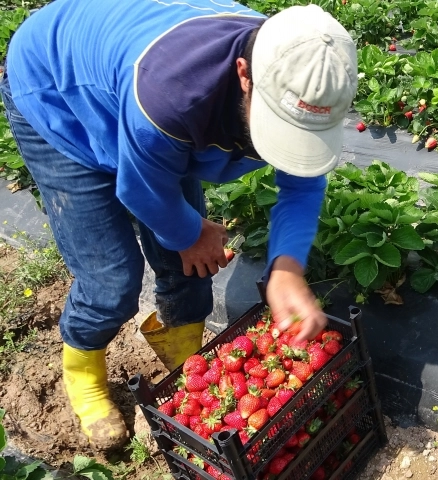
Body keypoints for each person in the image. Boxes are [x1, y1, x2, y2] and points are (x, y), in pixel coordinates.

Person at [1, 0, 358, 450]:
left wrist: (287, 266)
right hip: (59, 91)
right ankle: (85, 376)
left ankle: (183, 359)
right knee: (111, 279)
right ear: (244, 74)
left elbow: (302, 184)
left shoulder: (302, 73)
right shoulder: (173, 94)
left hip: (139, 97)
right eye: (278, 124)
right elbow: (140, 188)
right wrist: (190, 233)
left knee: (192, 266)